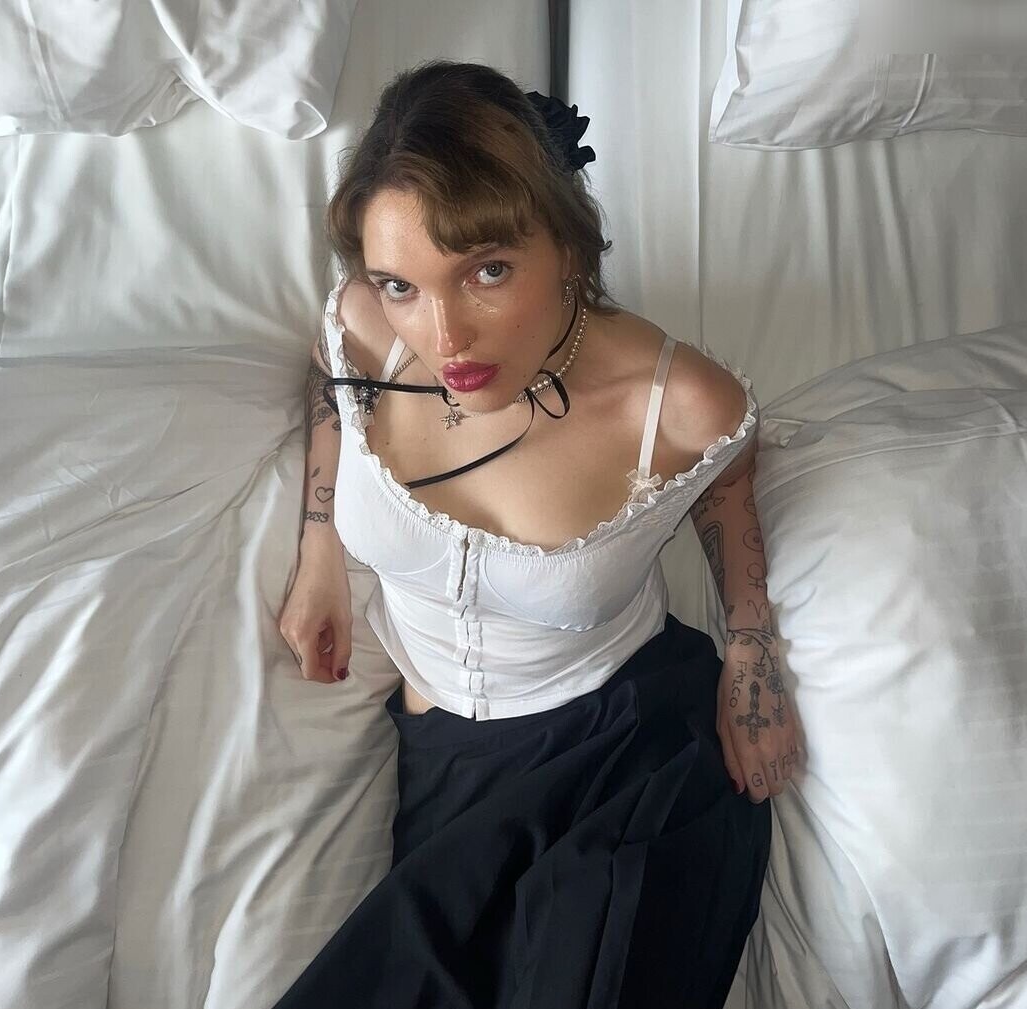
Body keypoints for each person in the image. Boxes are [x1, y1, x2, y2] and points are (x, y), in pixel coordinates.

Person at [276, 59, 801, 1009]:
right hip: (448, 770)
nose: (445, 337)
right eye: (401, 283)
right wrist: (321, 551)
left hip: (632, 754)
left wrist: (751, 646)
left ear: (565, 242)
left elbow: (726, 480)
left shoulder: (675, 401)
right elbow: (333, 389)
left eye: (486, 272)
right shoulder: (365, 332)